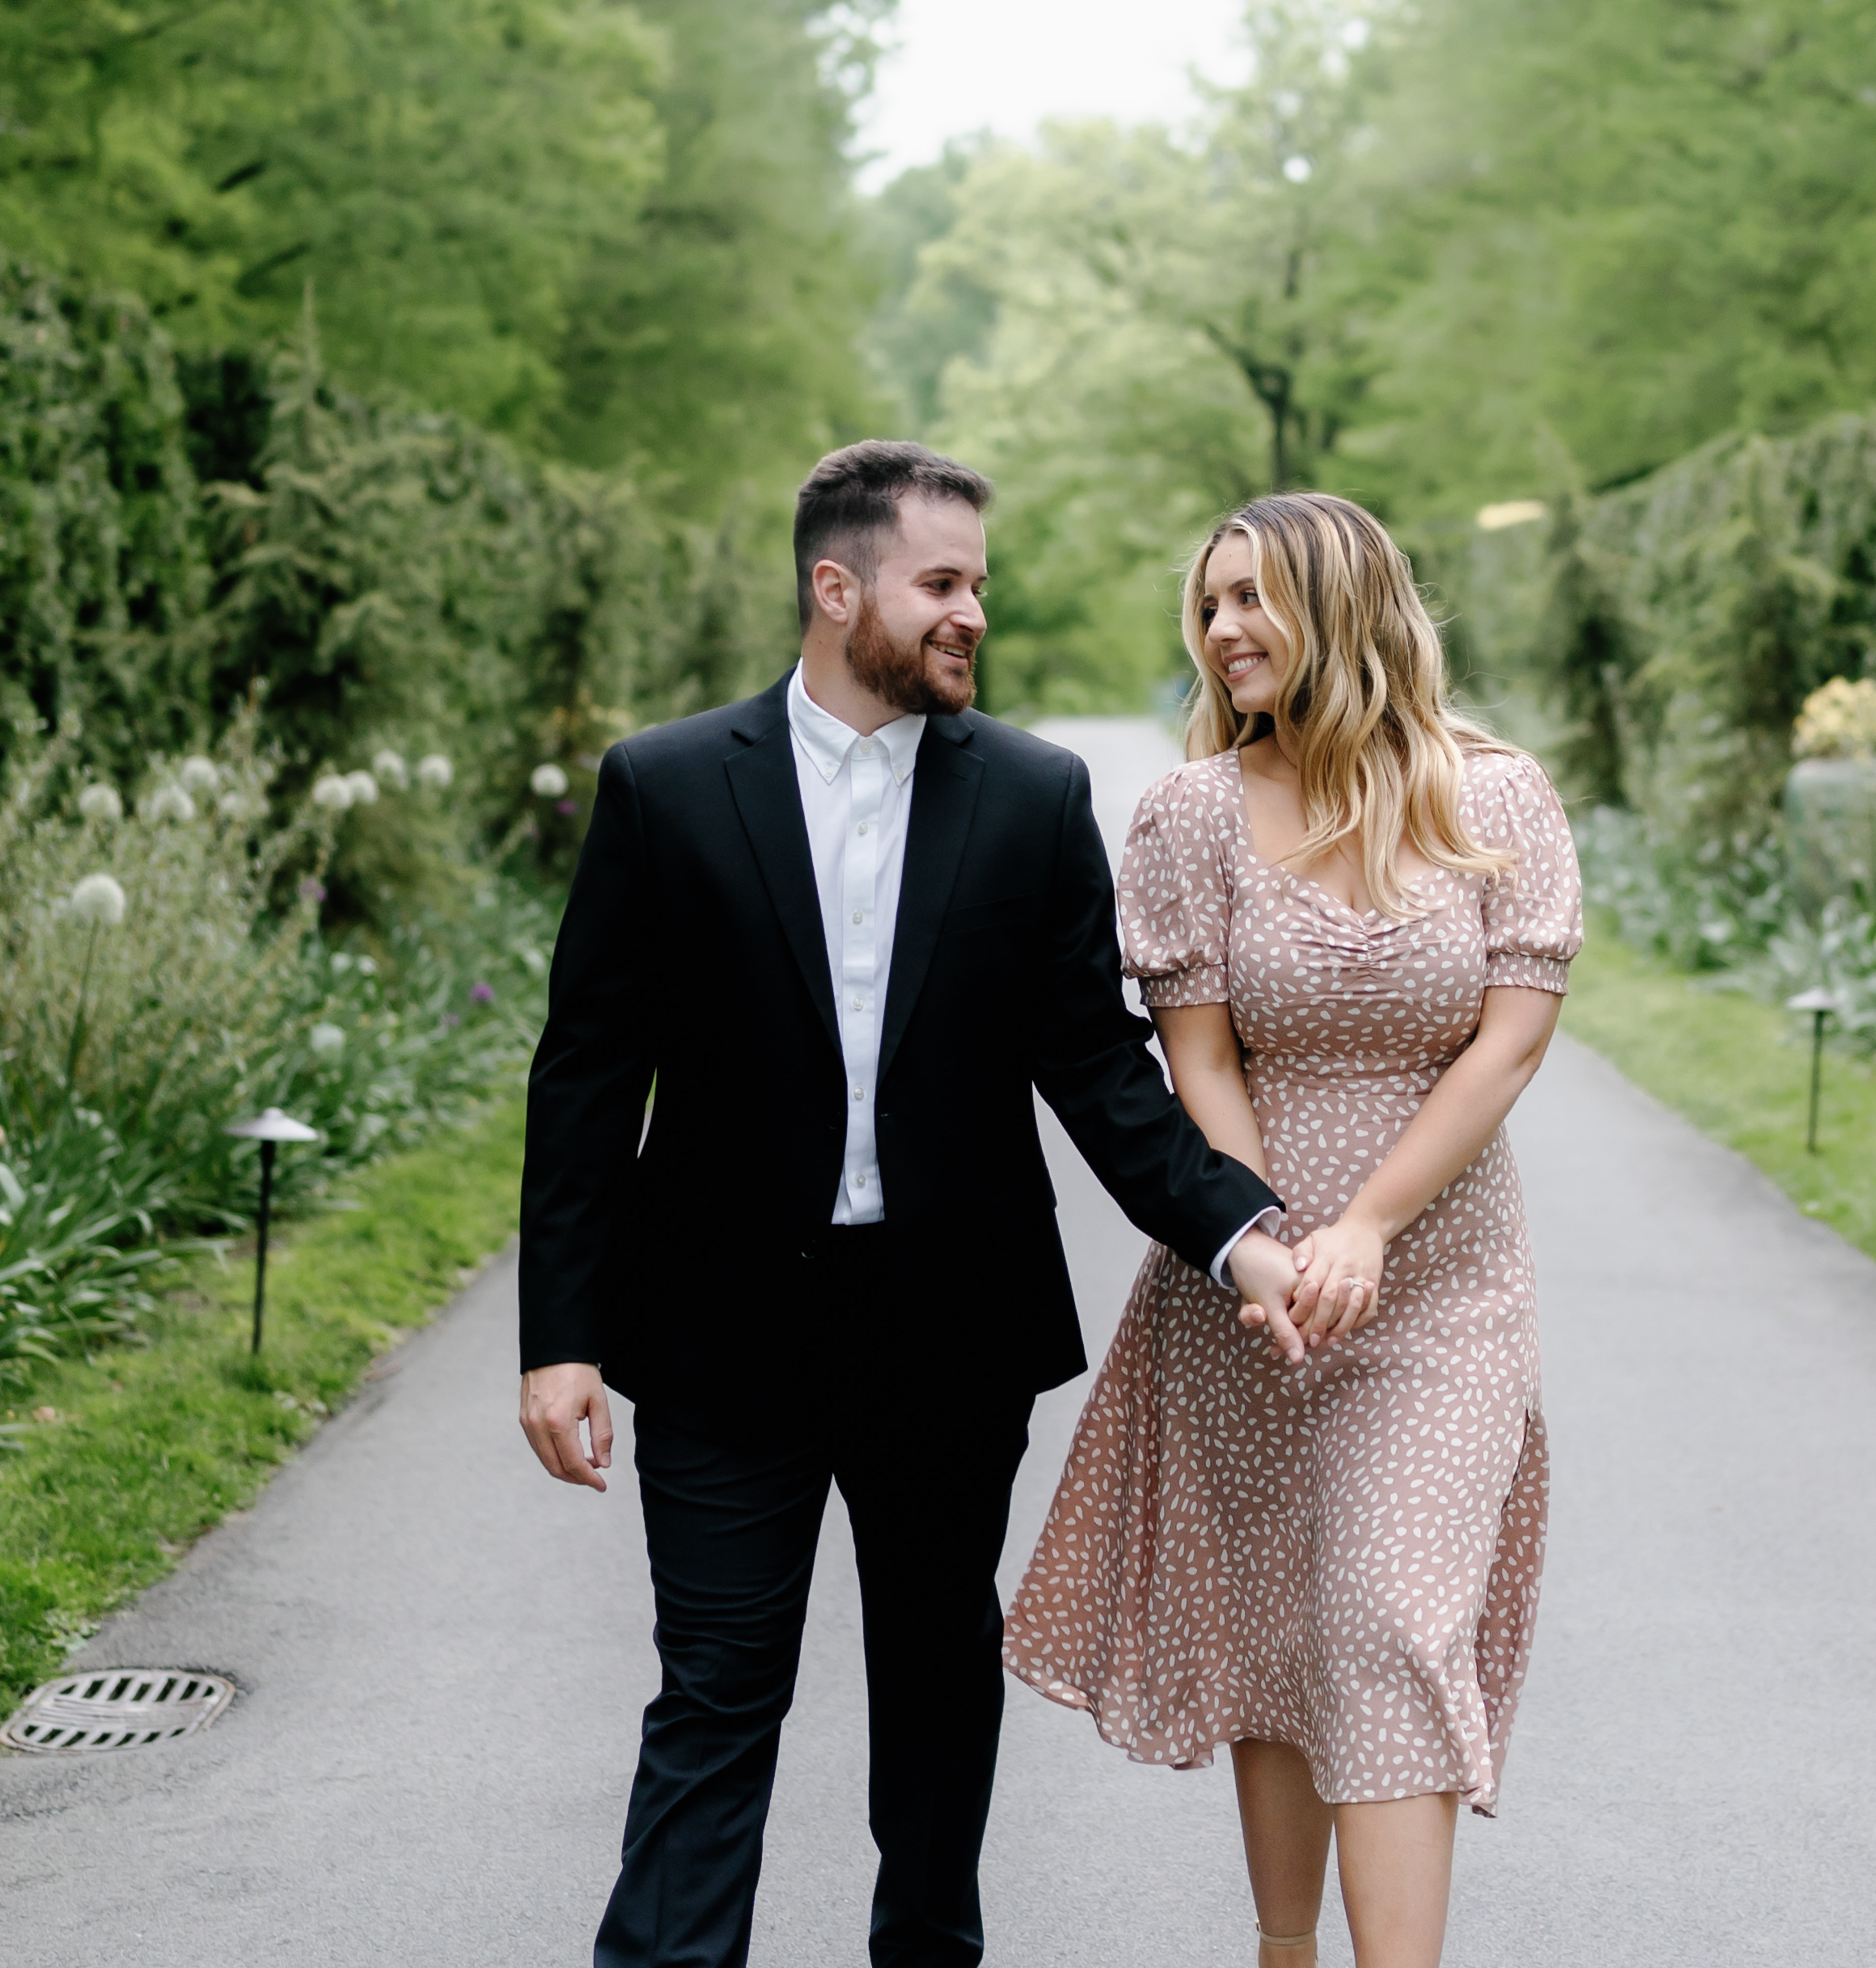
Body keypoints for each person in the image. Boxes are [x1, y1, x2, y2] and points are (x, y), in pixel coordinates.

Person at [515, 440, 1315, 1968]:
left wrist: (1242, 1235)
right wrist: (561, 1339)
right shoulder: (666, 787)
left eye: (980, 589)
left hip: (950, 1338)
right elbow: (588, 1078)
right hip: (718, 1336)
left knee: (942, 1685)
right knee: (719, 1684)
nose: (970, 617)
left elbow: (1100, 1072)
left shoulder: (1032, 795)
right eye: (941, 585)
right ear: (838, 589)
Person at [1002, 492, 1582, 1968]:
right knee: (1282, 1623)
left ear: (1345, 603)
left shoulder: (1494, 796)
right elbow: (1197, 1058)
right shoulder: (1192, 815)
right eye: (1209, 608)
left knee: (1389, 1620)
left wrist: (1373, 1227)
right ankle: (1285, 1951)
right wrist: (1263, 1243)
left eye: (1254, 599)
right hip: (1249, 1287)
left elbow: (1508, 1045)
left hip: (1440, 1282)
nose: (1225, 632)